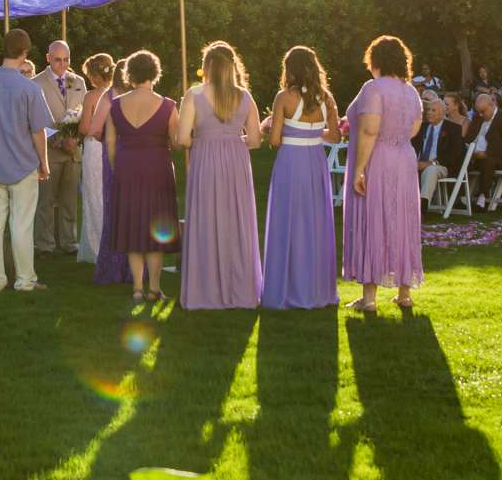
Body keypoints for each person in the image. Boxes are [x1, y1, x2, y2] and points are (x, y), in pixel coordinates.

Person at [173, 40, 262, 310]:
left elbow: (182, 139)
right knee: (237, 220)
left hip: (205, 161)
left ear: (207, 67)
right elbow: (256, 141)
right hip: (236, 161)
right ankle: (240, 290)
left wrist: (207, 139)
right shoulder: (245, 97)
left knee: (206, 219)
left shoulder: (194, 95)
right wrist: (232, 140)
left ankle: (206, 290)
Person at [341, 35, 424, 312]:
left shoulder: (373, 88)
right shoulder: (410, 91)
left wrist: (359, 169)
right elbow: (414, 128)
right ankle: (404, 293)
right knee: (402, 219)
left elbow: (369, 130)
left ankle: (369, 298)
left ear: (375, 59)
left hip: (378, 159)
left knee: (372, 219)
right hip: (404, 158)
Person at [261, 45, 341, 310]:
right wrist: (313, 134)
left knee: (288, 221)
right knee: (315, 223)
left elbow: (274, 141)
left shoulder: (283, 97)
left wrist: (268, 129)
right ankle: (316, 290)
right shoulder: (326, 98)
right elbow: (336, 136)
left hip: (290, 162)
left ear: (289, 69)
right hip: (316, 161)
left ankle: (287, 288)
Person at [0, 29, 54, 293]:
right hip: (22, 165)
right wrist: (43, 162)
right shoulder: (29, 87)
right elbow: (38, 130)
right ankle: (25, 280)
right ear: (25, 52)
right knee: (21, 225)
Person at [104, 50, 179, 303]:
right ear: (155, 73)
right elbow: (178, 142)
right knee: (155, 230)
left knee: (132, 228)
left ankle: (137, 287)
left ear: (130, 74)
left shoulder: (116, 105)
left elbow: (111, 144)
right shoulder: (168, 105)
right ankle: (154, 288)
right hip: (157, 170)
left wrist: (118, 168)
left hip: (127, 168)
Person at [33, 39, 85, 254]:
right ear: (48, 58)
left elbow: (84, 112)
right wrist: (56, 139)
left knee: (70, 199)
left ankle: (69, 241)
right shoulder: (36, 83)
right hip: (50, 150)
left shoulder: (78, 81)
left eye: (66, 60)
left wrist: (76, 139)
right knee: (45, 201)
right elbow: (34, 118)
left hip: (74, 151)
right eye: (57, 60)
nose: (62, 64)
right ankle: (44, 244)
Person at [76, 52, 117, 268]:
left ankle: (96, 247)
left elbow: (85, 128)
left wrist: (73, 123)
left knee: (94, 196)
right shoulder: (120, 93)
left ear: (93, 75)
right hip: (115, 149)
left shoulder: (91, 97)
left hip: (94, 149)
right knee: (110, 194)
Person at [464, 89, 502, 209]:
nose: (481, 115)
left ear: (492, 104)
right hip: (474, 155)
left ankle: (482, 197)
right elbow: (469, 138)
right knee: (457, 156)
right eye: (479, 112)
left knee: (487, 161)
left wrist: (486, 153)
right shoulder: (478, 118)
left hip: (496, 158)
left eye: (483, 111)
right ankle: (458, 196)